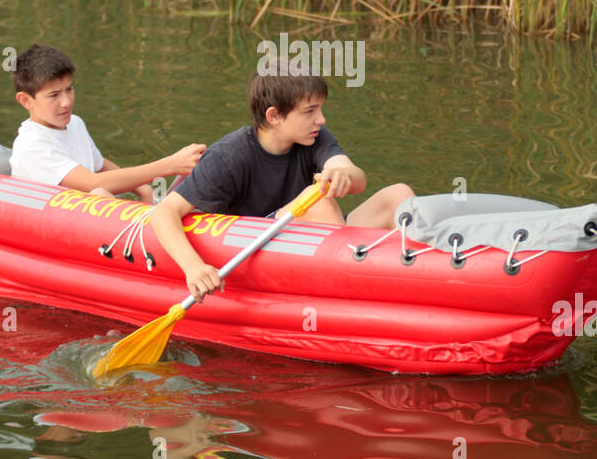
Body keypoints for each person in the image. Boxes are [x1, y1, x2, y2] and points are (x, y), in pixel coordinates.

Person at [149, 67, 414, 301]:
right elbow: (165, 212)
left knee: (398, 195)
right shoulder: (229, 156)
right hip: (254, 246)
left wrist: (344, 174)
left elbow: (353, 176)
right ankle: (358, 287)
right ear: (274, 115)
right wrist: (193, 267)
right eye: (310, 111)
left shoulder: (313, 136)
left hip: (308, 238)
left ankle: (416, 274)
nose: (321, 120)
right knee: (318, 200)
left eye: (320, 109)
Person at [10, 44, 204, 200]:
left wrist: (142, 188)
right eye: (54, 95)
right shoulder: (32, 146)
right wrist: (169, 165)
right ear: (25, 100)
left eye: (69, 89)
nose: (66, 102)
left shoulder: (74, 123)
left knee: (102, 193)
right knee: (99, 194)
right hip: (51, 227)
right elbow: (93, 183)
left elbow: (100, 164)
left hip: (82, 216)